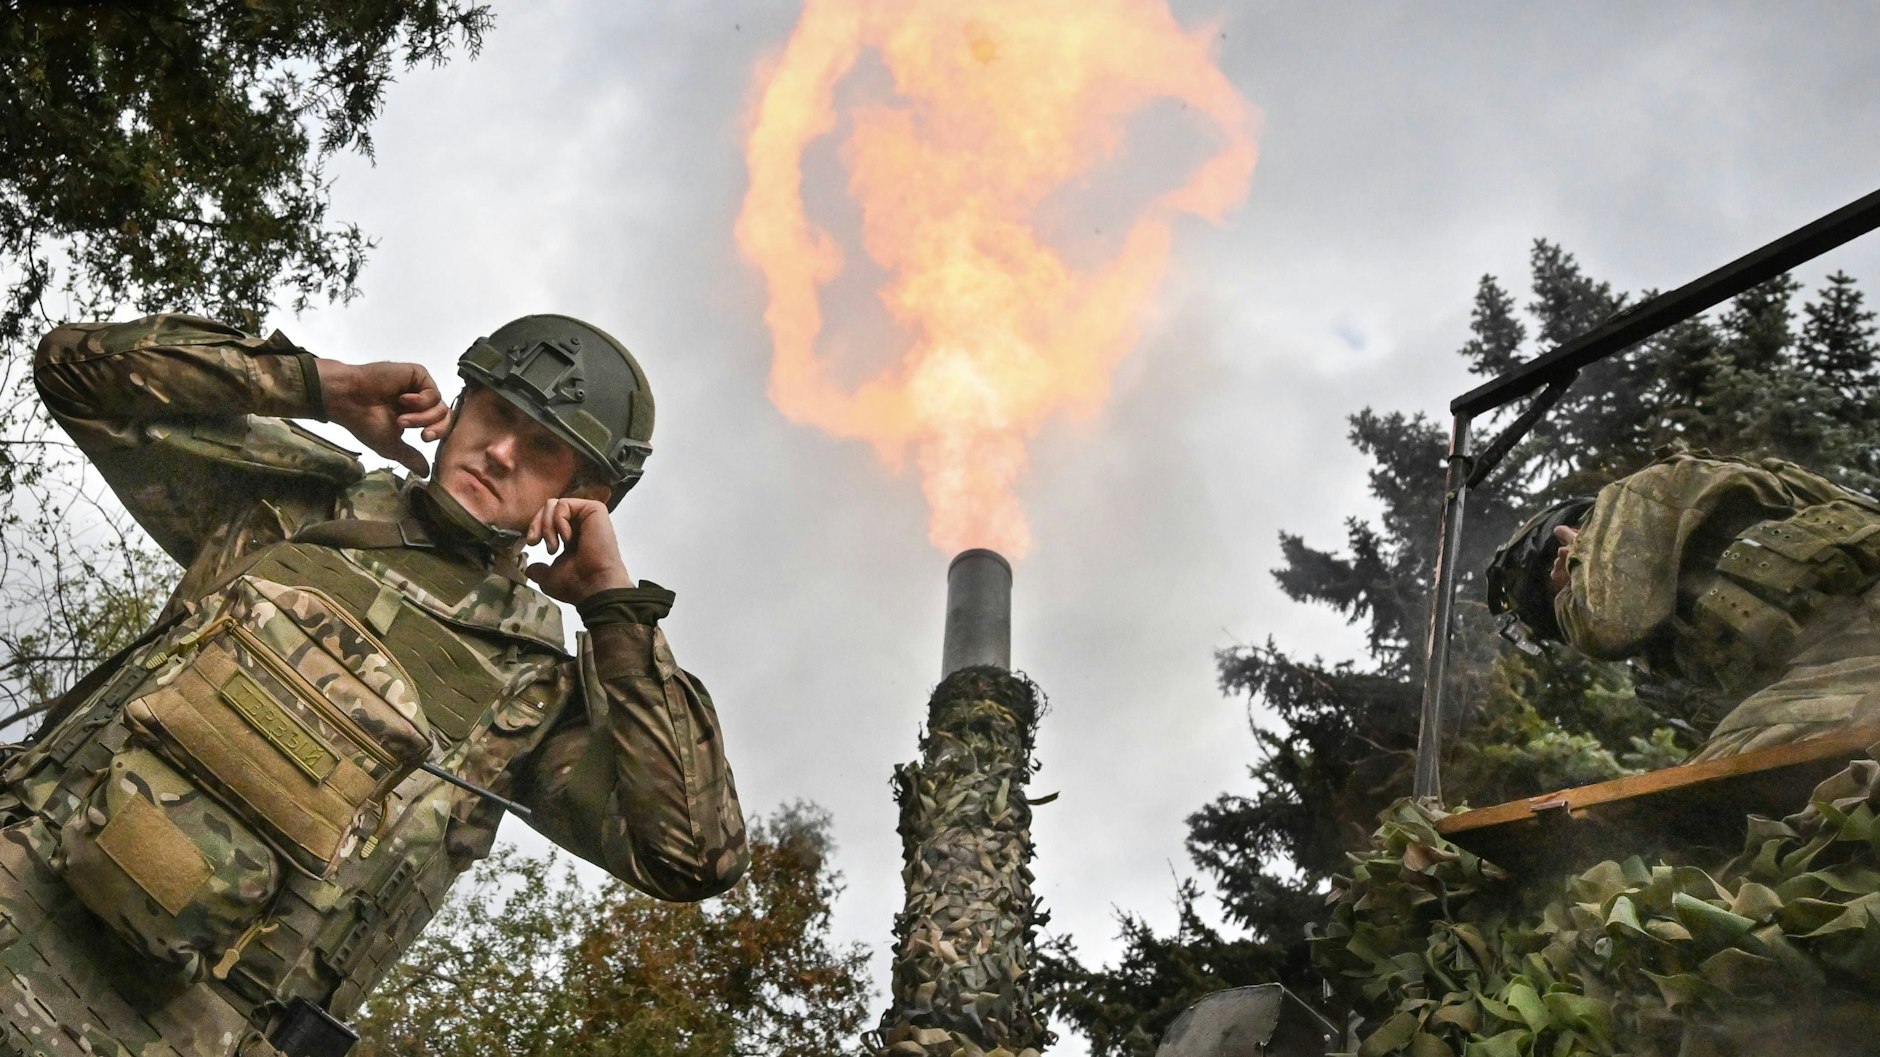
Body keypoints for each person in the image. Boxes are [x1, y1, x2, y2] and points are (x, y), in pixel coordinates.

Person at [0, 312, 747, 1056]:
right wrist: (323, 384)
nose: (503, 449)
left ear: (586, 496)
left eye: (544, 448)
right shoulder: (300, 503)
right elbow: (74, 371)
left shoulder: (534, 692)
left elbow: (692, 855)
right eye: (495, 412)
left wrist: (616, 608)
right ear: (459, 406)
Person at [1487, 449, 1880, 763]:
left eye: (1562, 602)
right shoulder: (1667, 623)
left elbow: (1608, 627)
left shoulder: (1634, 497)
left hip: (1854, 649)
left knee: (1725, 781)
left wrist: (1578, 567)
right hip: (1835, 659)